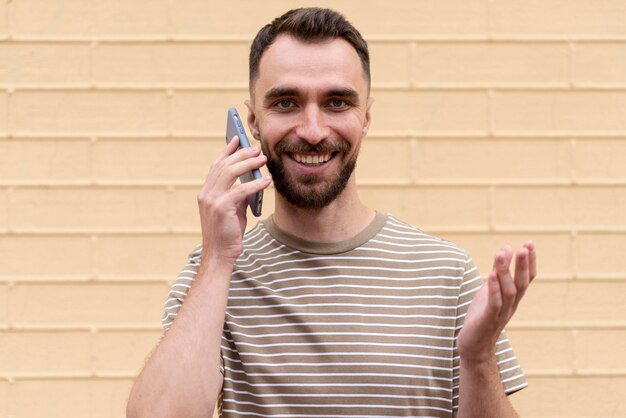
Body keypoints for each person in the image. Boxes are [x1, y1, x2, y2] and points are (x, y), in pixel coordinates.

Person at [127, 7, 537, 418]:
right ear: (252, 121)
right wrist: (218, 260)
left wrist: (479, 358)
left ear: (366, 118)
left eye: (337, 102)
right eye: (286, 103)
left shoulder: (445, 272)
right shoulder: (213, 273)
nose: (313, 130)